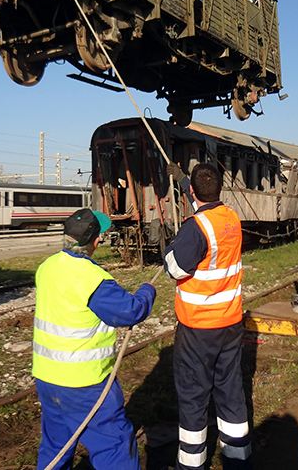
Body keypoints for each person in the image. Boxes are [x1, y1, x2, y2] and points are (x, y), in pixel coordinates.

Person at [32, 207, 157, 470]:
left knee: (57, 444)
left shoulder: (47, 267)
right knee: (115, 445)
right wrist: (147, 290)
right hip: (83, 383)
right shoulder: (91, 278)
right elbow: (130, 311)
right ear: (96, 241)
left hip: (46, 377)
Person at [164, 162, 252, 470]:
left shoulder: (195, 228)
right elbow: (205, 202)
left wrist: (171, 247)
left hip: (198, 329)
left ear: (190, 192)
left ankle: (191, 465)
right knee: (230, 390)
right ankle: (238, 460)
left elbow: (174, 268)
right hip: (230, 323)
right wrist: (185, 179)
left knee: (193, 395)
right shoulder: (230, 218)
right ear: (220, 189)